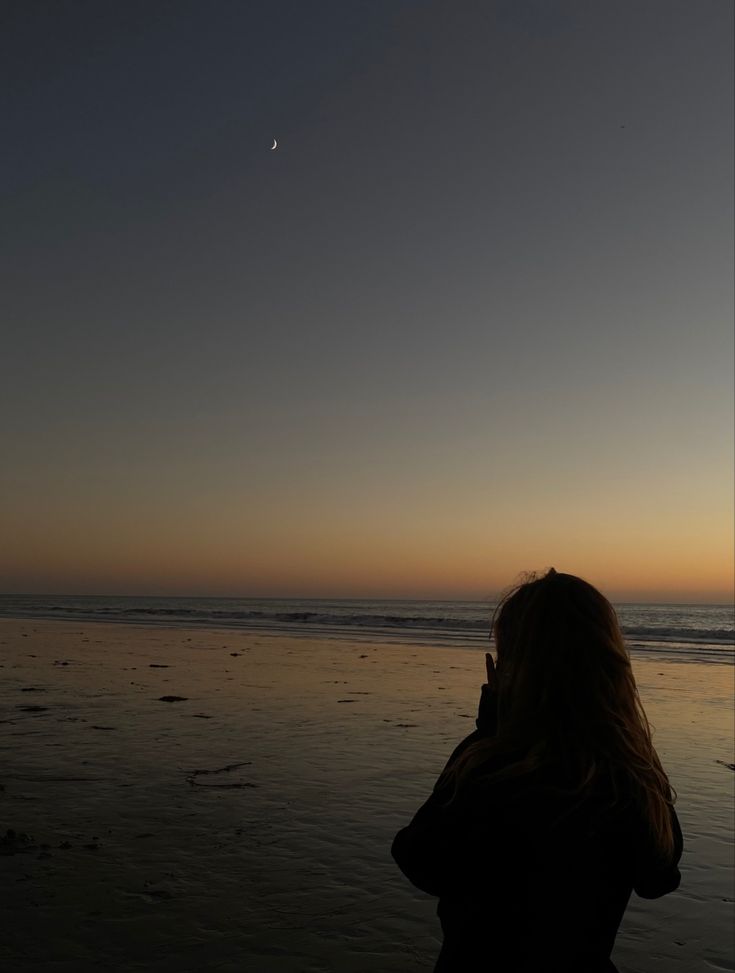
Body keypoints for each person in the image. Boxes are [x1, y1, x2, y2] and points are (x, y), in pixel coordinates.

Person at [391, 569, 682, 972]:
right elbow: (658, 878)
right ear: (609, 661)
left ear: (509, 665)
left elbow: (419, 859)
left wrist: (491, 729)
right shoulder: (630, 773)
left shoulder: (487, 766)